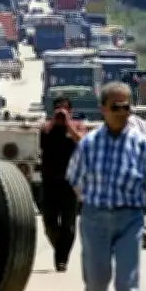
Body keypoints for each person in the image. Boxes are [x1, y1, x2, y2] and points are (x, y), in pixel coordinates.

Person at [66, 82, 146, 291]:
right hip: (95, 220)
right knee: (96, 286)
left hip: (130, 220)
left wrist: (132, 203)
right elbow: (75, 180)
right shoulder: (88, 145)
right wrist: (93, 204)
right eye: (115, 107)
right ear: (103, 110)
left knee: (127, 288)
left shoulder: (141, 145)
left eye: (126, 107)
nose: (121, 112)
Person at [40, 96, 83, 272]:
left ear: (70, 111)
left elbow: (82, 140)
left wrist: (68, 124)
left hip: (70, 183)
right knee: (49, 222)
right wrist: (53, 122)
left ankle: (61, 259)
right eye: (57, 108)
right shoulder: (46, 127)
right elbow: (41, 138)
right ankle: (60, 247)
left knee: (68, 223)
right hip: (50, 181)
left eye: (64, 108)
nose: (61, 111)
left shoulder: (77, 126)